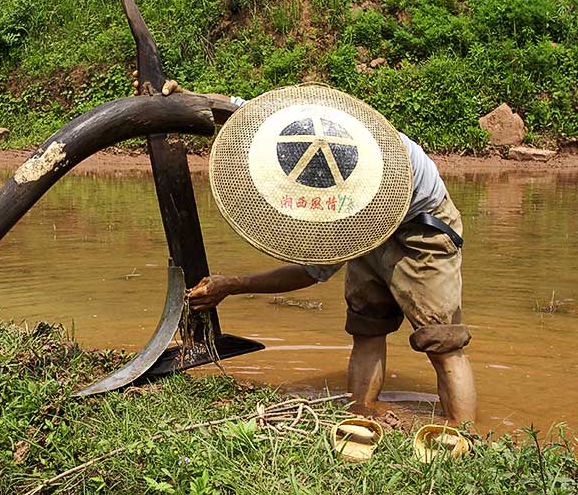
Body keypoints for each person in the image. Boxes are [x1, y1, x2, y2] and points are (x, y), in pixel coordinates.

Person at [133, 74, 477, 423]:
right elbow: (235, 110)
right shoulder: (302, 121)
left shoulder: (368, 187)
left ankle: (464, 435)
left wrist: (233, 285)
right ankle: (362, 414)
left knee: (442, 340)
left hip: (421, 229)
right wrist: (184, 98)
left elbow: (311, 273)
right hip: (371, 212)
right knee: (367, 326)